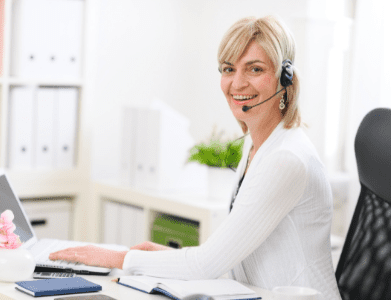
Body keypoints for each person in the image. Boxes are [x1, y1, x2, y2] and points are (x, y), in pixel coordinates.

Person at [50, 15, 342, 299]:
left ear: (284, 77)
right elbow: (230, 259)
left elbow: (207, 264)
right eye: (228, 69)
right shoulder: (256, 145)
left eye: (254, 69)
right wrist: (164, 259)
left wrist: (113, 257)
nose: (237, 84)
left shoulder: (286, 159)